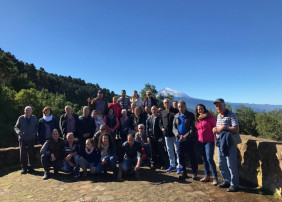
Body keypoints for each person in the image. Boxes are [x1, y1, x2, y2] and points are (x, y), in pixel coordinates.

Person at [212, 98, 241, 192]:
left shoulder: (231, 115)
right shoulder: (218, 116)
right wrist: (215, 129)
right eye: (216, 106)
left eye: (220, 105)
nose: (218, 107)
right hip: (221, 142)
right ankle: (227, 181)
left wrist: (224, 127)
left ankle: (235, 184)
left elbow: (236, 129)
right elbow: (219, 129)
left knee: (231, 164)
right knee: (221, 163)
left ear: (224, 105)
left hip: (230, 143)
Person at [173, 101, 198, 181]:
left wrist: (186, 136)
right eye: (179, 106)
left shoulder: (190, 115)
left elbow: (193, 128)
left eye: (182, 106)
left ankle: (194, 172)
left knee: (192, 156)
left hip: (189, 139)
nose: (180, 108)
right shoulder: (176, 116)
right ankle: (183, 172)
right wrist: (178, 135)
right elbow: (174, 128)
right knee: (180, 156)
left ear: (185, 106)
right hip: (179, 140)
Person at [195, 104, 218, 185]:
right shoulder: (198, 119)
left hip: (209, 141)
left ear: (204, 109)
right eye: (198, 109)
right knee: (204, 159)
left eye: (201, 109)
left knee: (209, 159)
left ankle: (215, 178)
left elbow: (215, 127)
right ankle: (207, 176)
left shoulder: (210, 117)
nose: (200, 110)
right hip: (201, 141)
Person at [14, 106, 39, 174]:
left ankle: (31, 167)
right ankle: (24, 168)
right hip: (22, 139)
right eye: (26, 110)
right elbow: (16, 127)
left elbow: (37, 126)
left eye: (29, 110)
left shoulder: (34, 118)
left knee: (31, 153)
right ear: (24, 111)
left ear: (31, 111)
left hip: (31, 139)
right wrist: (19, 133)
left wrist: (34, 133)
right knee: (22, 153)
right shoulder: (21, 118)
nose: (27, 111)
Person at [159, 99, 181, 173]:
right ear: (163, 104)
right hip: (167, 135)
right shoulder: (163, 112)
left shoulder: (175, 111)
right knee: (169, 150)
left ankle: (179, 166)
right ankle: (172, 165)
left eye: (168, 102)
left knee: (177, 150)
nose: (166, 104)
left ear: (170, 103)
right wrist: (162, 128)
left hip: (174, 135)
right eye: (165, 103)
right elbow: (160, 122)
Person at [146, 105, 165, 170]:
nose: (154, 110)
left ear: (157, 110)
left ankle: (162, 164)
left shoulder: (160, 118)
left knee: (160, 151)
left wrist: (161, 137)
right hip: (151, 137)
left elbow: (162, 127)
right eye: (152, 109)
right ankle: (153, 164)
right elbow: (147, 128)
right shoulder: (149, 118)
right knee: (152, 151)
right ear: (151, 110)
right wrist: (148, 136)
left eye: (155, 109)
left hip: (159, 137)